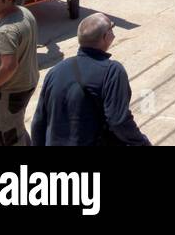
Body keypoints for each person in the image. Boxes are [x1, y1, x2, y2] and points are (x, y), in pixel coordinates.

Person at [30, 12, 150, 146]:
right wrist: (142, 142)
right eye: (112, 28)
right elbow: (118, 121)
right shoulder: (112, 72)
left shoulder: (55, 71)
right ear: (106, 37)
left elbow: (38, 123)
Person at [0, 0, 38, 146]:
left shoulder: (6, 31)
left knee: (6, 136)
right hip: (26, 83)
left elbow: (9, 66)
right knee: (17, 127)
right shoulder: (23, 12)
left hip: (9, 92)